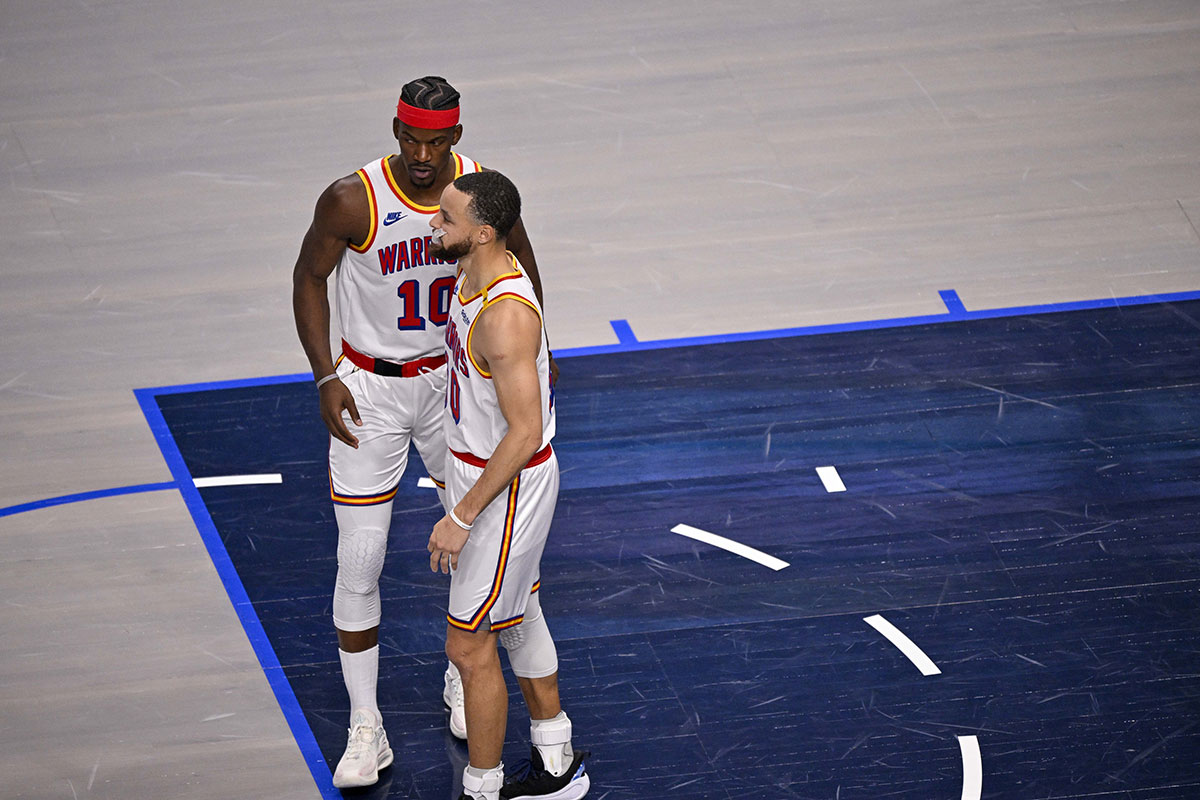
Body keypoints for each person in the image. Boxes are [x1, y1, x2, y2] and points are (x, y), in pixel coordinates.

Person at [291, 76, 545, 789]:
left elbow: (522, 272)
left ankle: (463, 674)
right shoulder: (354, 199)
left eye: (438, 141)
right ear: (395, 132)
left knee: (481, 541)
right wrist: (323, 373)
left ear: (456, 138)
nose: (425, 154)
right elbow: (309, 278)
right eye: (412, 139)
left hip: (455, 385)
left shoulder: (478, 193)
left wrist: (526, 364)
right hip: (368, 386)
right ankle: (365, 725)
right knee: (361, 558)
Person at [427, 171, 589, 800]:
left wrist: (462, 514)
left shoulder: (504, 318)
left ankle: (483, 788)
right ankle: (555, 758)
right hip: (481, 470)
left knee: (468, 646)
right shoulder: (472, 273)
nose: (435, 227)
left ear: (484, 233)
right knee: (519, 614)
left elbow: (522, 434)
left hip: (507, 485)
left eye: (447, 220)